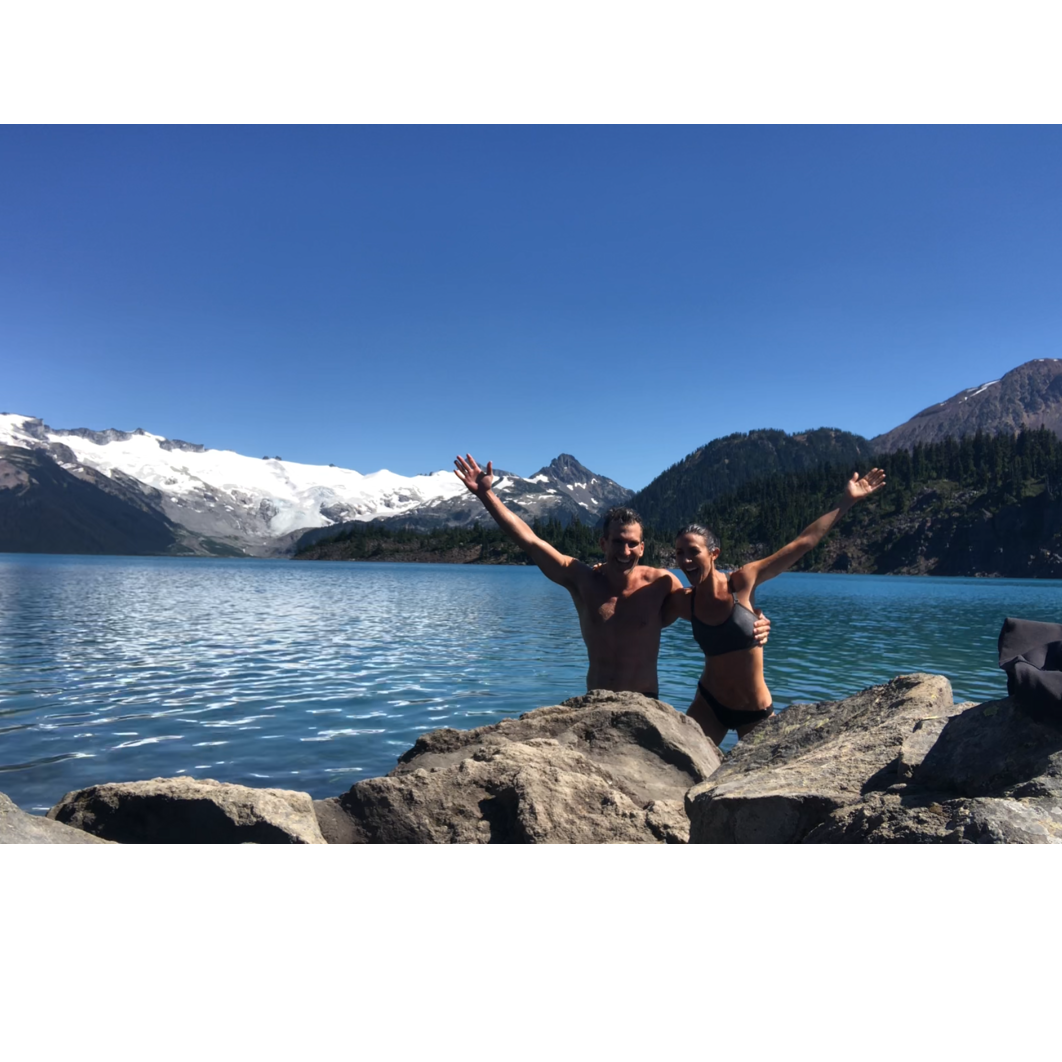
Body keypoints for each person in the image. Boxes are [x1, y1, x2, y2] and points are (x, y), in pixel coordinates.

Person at [454, 452, 770, 698]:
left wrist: (754, 618)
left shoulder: (661, 584)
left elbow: (716, 605)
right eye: (617, 542)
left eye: (633, 544)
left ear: (643, 548)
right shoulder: (582, 580)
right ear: (603, 543)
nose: (625, 550)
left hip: (644, 702)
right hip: (596, 701)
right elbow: (530, 541)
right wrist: (486, 496)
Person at [667, 468, 886, 746]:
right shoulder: (685, 601)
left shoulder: (743, 582)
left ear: (714, 553)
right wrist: (604, 569)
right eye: (679, 553)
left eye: (693, 552)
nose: (685, 560)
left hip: (755, 711)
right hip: (708, 705)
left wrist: (846, 502)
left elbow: (802, 544)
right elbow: (637, 599)